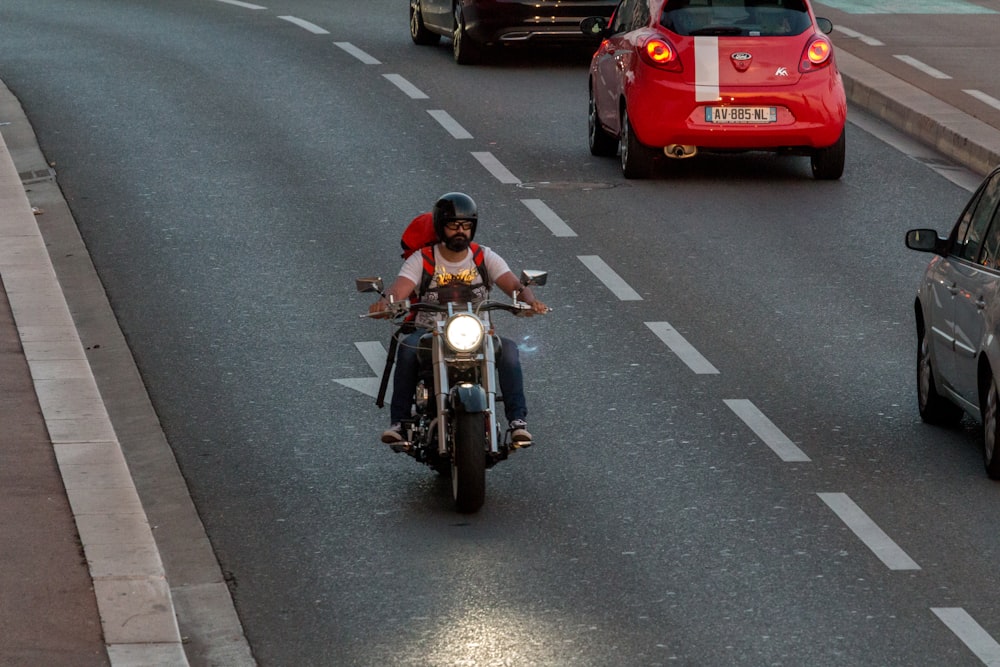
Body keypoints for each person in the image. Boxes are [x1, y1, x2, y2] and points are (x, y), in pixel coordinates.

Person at [369, 192, 548, 445]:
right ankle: (399, 422)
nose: (460, 231)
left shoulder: (484, 257)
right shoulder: (423, 259)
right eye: (453, 225)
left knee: (509, 350)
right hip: (430, 332)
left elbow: (514, 284)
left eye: (466, 226)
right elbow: (400, 288)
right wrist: (385, 303)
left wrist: (529, 302)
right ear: (441, 227)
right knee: (408, 352)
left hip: (478, 332)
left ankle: (518, 421)